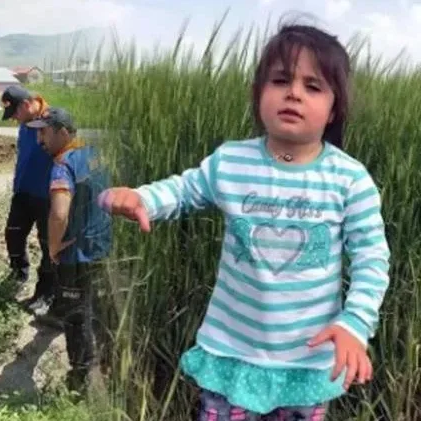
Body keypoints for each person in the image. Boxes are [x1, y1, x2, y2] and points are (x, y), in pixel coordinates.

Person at [99, 23, 390, 420]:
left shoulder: (349, 179)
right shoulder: (232, 161)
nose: (294, 93)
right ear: (259, 94)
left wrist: (355, 323)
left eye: (313, 86)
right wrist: (143, 198)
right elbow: (184, 190)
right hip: (232, 353)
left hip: (306, 361)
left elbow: (372, 257)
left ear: (334, 108)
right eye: (281, 80)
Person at [28, 107, 113, 393]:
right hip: (100, 244)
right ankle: (101, 360)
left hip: (76, 253)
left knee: (76, 317)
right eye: (38, 131)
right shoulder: (93, 154)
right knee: (91, 305)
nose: (40, 139)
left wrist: (53, 246)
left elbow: (59, 214)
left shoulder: (62, 165)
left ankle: (81, 377)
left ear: (63, 132)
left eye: (45, 132)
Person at [0, 85, 57, 316]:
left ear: (26, 105)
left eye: (15, 113)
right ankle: (18, 274)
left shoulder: (52, 121)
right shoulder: (25, 124)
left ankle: (46, 293)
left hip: (47, 197)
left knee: (47, 246)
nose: (14, 118)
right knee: (12, 233)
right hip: (23, 193)